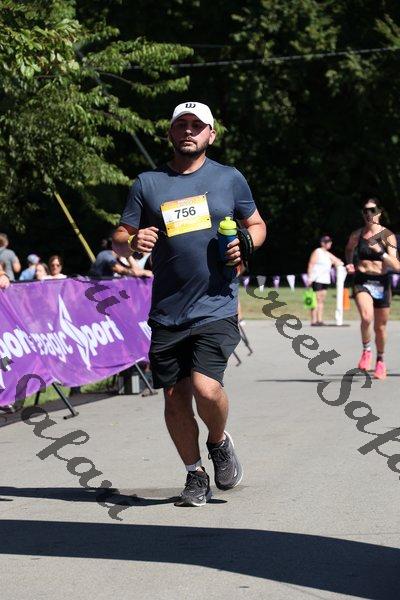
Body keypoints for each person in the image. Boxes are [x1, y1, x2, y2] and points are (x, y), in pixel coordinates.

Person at [113, 101, 266, 507]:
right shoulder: (148, 183)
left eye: (197, 126)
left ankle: (218, 441)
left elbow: (256, 224)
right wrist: (133, 240)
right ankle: (194, 473)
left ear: (210, 134)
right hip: (168, 310)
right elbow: (120, 237)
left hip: (216, 303)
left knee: (205, 387)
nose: (188, 131)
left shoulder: (229, 178)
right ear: (170, 132)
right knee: (174, 397)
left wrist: (246, 243)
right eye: (181, 124)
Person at [345, 197, 400, 379]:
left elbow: (397, 266)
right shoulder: (357, 234)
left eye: (373, 210)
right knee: (367, 317)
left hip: (381, 282)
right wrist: (349, 263)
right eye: (366, 211)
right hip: (362, 280)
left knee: (380, 328)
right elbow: (349, 249)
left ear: (379, 213)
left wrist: (381, 252)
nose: (369, 214)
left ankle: (380, 360)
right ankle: (366, 350)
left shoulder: (387, 236)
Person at [307, 235, 343, 325]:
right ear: (322, 243)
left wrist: (336, 262)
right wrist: (309, 278)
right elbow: (311, 264)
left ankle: (320, 320)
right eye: (327, 242)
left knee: (321, 300)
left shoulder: (327, 254)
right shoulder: (317, 251)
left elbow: (338, 261)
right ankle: (314, 320)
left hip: (325, 280)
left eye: (330, 242)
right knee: (316, 299)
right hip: (317, 278)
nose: (330, 244)